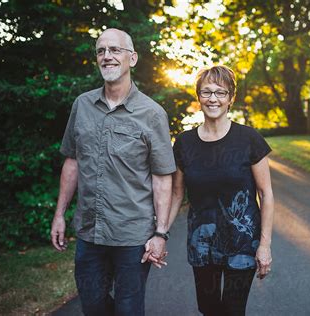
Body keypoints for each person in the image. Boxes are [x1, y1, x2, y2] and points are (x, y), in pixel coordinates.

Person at [50, 28, 175, 316]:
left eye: (115, 50)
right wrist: (59, 214)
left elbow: (162, 176)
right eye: (101, 51)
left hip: (133, 236)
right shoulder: (82, 105)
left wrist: (161, 233)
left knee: (129, 309)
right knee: (92, 305)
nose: (107, 56)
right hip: (89, 232)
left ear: (132, 58)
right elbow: (72, 161)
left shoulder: (152, 114)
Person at [168, 65, 275, 316]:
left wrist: (265, 245)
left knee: (233, 310)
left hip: (242, 243)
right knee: (208, 309)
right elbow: (176, 193)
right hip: (201, 245)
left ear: (230, 99)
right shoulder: (184, 143)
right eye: (206, 92)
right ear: (198, 97)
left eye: (220, 92)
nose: (212, 98)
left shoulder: (249, 139)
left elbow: (266, 193)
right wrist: (160, 232)